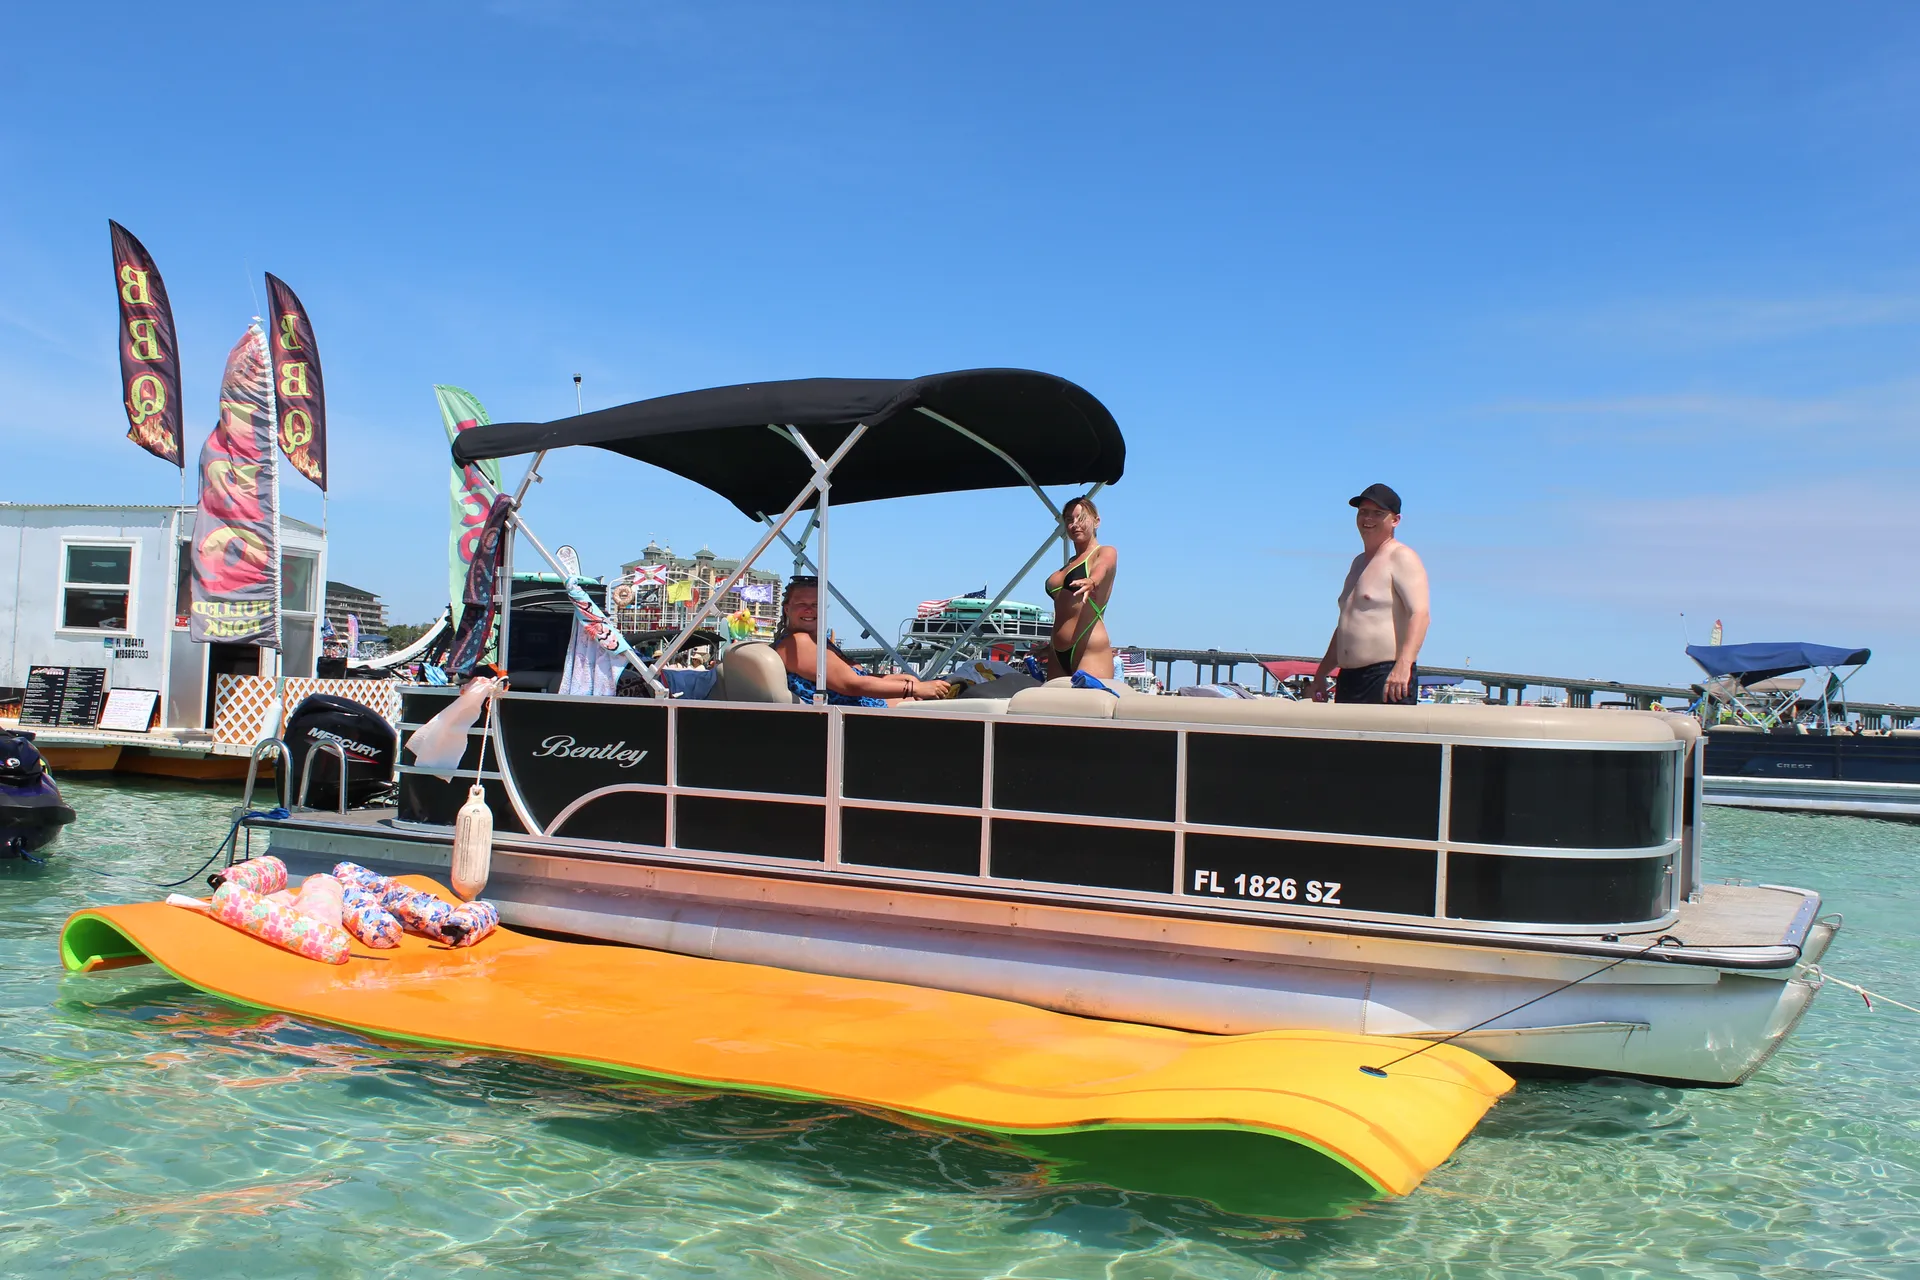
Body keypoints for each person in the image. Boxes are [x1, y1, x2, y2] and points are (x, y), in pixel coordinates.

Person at [1311, 483, 1430, 705]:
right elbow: (1347, 624)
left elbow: (1420, 614)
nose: (1368, 518)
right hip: (1348, 678)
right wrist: (1322, 673)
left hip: (1386, 677)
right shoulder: (1358, 563)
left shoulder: (1401, 557)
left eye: (1378, 513)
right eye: (1363, 512)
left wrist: (1404, 665)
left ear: (1395, 520)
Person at [774, 577, 951, 705]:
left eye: (815, 605)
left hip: (859, 711)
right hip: (846, 719)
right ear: (787, 609)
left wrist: (899, 680)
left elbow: (858, 677)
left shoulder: (817, 642)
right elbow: (851, 684)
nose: (809, 610)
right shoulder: (798, 642)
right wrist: (913, 689)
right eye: (801, 604)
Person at [1044, 495, 1119, 679]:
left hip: (1089, 645)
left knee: (1087, 705)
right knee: (1052, 707)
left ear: (1097, 521)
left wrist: (1092, 580)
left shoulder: (1104, 552)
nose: (1075, 524)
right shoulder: (1068, 564)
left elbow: (1104, 566)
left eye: (1081, 518)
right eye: (1069, 520)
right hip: (1056, 650)